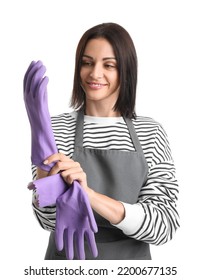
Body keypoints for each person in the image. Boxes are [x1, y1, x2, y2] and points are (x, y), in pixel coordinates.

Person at [29, 22, 179, 260]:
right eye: (87, 63)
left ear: (126, 71)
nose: (94, 73)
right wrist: (44, 183)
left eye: (108, 65)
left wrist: (89, 196)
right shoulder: (55, 128)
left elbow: (164, 225)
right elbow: (48, 222)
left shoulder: (150, 132)